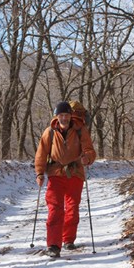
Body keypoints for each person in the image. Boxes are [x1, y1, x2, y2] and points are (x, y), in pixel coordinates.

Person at [34, 101, 96, 258]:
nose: (64, 118)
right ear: (57, 117)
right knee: (55, 209)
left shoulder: (80, 130)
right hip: (55, 174)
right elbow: (41, 154)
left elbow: (89, 149)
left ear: (71, 116)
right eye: (61, 115)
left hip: (75, 173)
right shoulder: (50, 132)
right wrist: (40, 173)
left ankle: (68, 239)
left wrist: (87, 158)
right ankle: (53, 245)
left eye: (67, 115)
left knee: (72, 207)